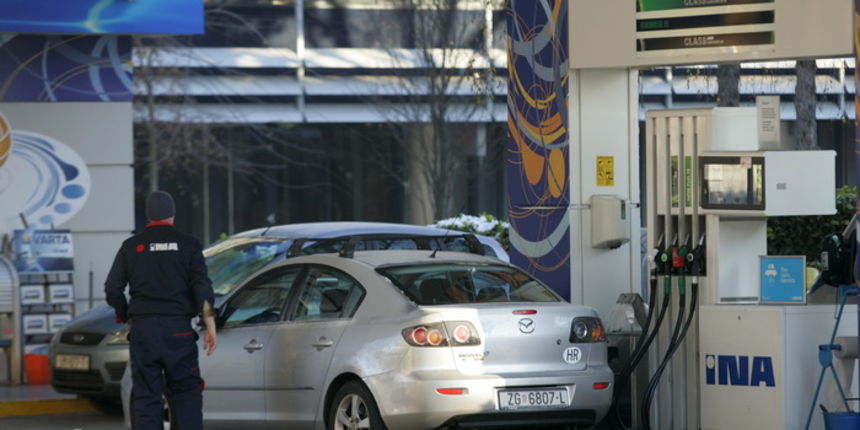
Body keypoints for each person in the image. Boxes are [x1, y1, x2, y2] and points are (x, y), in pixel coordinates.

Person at [105, 191, 217, 430]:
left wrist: (125, 314)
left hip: (143, 331)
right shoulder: (189, 245)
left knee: (146, 397)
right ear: (172, 215)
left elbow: (112, 288)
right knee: (186, 394)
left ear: (148, 216)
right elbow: (202, 287)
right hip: (178, 332)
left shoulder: (131, 246)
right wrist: (210, 325)